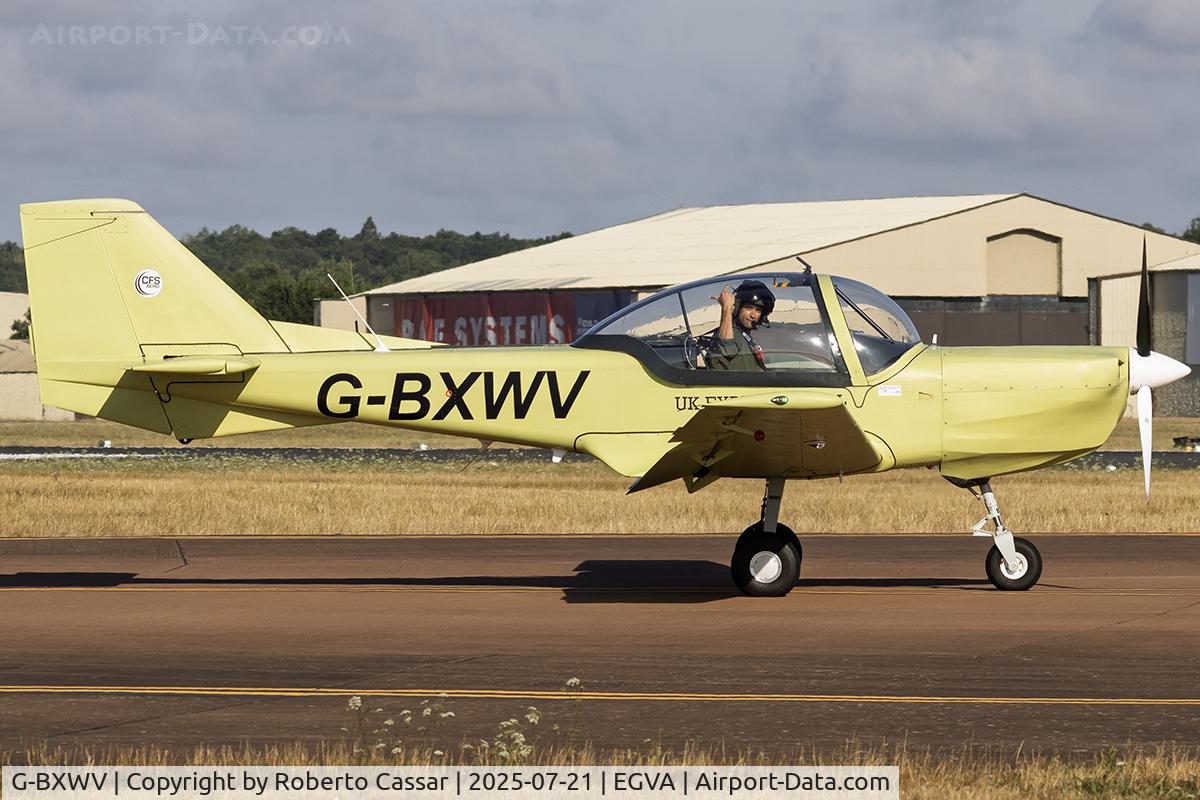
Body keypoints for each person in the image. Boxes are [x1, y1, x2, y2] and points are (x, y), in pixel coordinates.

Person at [706, 280, 775, 371]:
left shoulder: (745, 336)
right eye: (748, 308)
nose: (753, 315)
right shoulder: (733, 333)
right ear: (737, 309)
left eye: (757, 310)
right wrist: (727, 309)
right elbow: (727, 348)